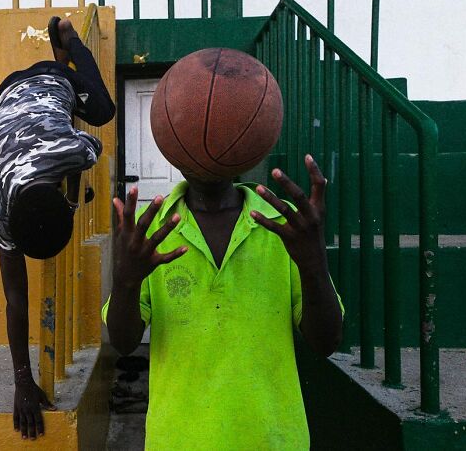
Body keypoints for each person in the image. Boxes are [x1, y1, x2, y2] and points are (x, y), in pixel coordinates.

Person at [103, 155, 344, 450]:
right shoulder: (153, 230)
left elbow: (326, 342)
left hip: (272, 440)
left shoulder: (286, 223)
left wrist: (314, 265)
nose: (207, 139)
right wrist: (125, 281)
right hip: (177, 441)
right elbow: (123, 342)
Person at [0, 16, 115, 440]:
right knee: (98, 110)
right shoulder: (5, 210)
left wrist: (75, 202)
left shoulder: (70, 149)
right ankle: (68, 48)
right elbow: (14, 299)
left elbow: (13, 299)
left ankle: (67, 48)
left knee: (100, 111)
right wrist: (22, 380)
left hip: (26, 89)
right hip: (16, 93)